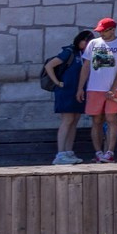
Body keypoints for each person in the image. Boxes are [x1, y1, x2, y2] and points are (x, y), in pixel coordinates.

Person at [79, 18, 117, 164]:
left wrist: (114, 88)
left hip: (116, 88)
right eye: (100, 31)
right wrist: (80, 87)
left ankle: (110, 152)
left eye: (104, 31)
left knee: (111, 119)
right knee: (96, 120)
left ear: (112, 30)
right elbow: (86, 66)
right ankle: (98, 152)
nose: (102, 34)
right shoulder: (93, 43)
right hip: (94, 87)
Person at [45, 27, 91, 165]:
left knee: (74, 120)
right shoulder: (69, 52)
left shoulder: (85, 55)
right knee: (67, 120)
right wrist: (57, 82)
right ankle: (60, 153)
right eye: (85, 41)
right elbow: (49, 66)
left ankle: (68, 151)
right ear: (80, 40)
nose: (87, 44)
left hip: (78, 91)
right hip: (66, 91)